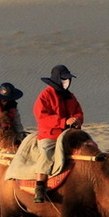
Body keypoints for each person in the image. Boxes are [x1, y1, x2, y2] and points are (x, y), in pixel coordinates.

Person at [32, 65, 85, 203]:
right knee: (46, 154)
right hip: (50, 134)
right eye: (64, 79)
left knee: (88, 147)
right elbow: (42, 117)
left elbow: (78, 111)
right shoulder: (45, 96)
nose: (67, 81)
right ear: (57, 79)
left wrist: (77, 120)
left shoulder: (70, 96)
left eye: (68, 79)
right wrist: (63, 121)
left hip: (69, 133)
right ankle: (40, 186)